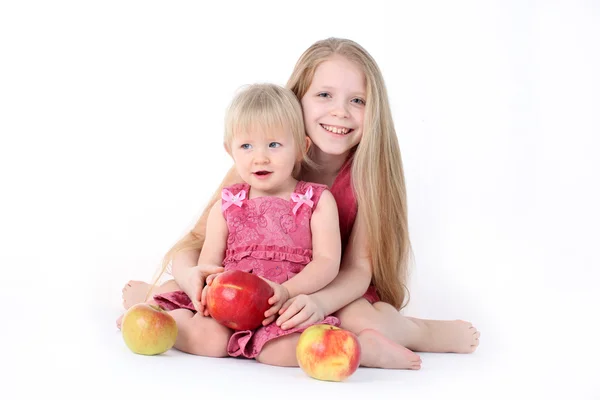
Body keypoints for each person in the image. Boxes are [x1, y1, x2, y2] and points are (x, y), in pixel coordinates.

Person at [122, 37, 480, 362]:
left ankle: (422, 332)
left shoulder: (366, 175)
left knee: (355, 318)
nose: (340, 111)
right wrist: (189, 277)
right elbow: (199, 243)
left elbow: (357, 269)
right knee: (181, 292)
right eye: (324, 95)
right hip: (251, 288)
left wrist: (318, 301)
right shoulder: (260, 162)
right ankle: (154, 305)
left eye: (357, 100)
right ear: (297, 100)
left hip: (324, 287)